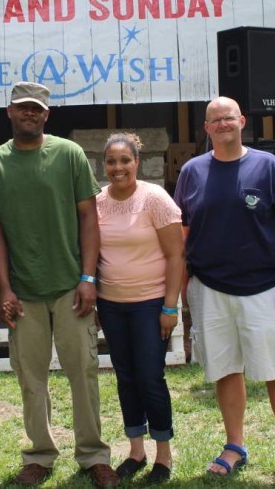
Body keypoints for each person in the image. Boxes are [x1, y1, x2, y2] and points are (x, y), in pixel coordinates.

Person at [0, 81, 120, 488]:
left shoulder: (69, 154)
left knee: (83, 372)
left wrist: (88, 277)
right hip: (23, 291)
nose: (29, 113)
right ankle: (39, 454)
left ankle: (93, 454)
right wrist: (5, 287)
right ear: (9, 111)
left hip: (70, 285)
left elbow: (89, 217)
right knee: (30, 377)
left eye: (36, 108)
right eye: (22, 107)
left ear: (46, 114)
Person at [173, 96, 275, 487]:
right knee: (225, 370)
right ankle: (235, 445)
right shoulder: (192, 172)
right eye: (214, 120)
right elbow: (182, 232)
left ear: (242, 121)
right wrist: (183, 286)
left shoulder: (268, 167)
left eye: (228, 118)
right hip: (209, 289)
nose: (222, 124)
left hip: (263, 289)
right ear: (206, 128)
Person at [95, 133, 185, 484]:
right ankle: (136, 451)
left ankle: (163, 454)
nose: (118, 168)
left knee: (150, 378)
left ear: (137, 162)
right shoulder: (98, 203)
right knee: (126, 378)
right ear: (104, 165)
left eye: (125, 160)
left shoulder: (155, 199)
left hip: (150, 304)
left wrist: (170, 307)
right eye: (111, 161)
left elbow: (175, 255)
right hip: (112, 305)